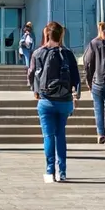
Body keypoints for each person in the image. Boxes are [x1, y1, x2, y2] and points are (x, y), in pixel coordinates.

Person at [27, 21, 81, 183]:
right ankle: (62, 171)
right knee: (60, 134)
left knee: (48, 136)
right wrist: (75, 96)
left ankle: (50, 171)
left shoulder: (38, 53)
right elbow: (76, 78)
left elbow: (31, 75)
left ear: (46, 34)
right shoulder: (68, 53)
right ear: (61, 35)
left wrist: (35, 91)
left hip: (46, 100)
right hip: (64, 100)